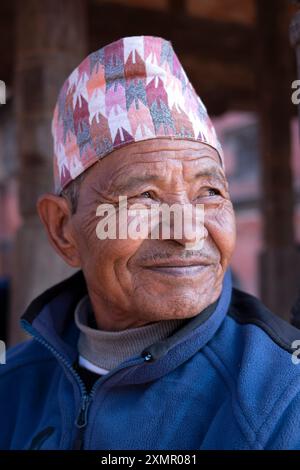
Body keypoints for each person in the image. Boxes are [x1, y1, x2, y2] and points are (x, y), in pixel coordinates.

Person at [1, 36, 300, 450]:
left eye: (209, 192)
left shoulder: (282, 398)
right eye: (143, 197)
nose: (188, 231)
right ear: (63, 229)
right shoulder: (12, 389)